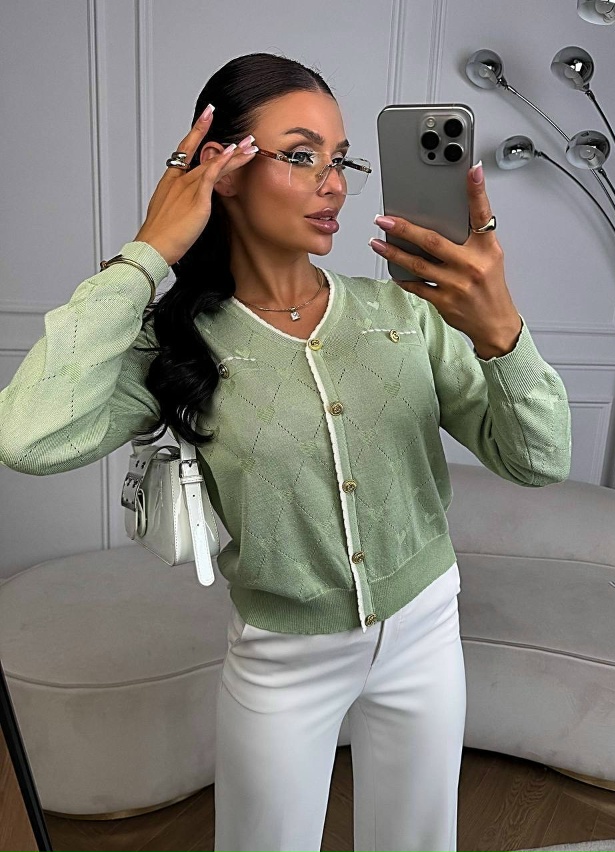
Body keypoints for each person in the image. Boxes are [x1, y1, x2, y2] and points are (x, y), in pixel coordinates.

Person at [0, 52, 571, 852]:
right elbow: (26, 435)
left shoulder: (404, 312)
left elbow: (539, 460)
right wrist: (147, 253)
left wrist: (502, 329)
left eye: (342, 160)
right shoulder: (177, 347)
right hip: (284, 658)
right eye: (303, 156)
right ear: (224, 167)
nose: (333, 184)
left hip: (427, 630)